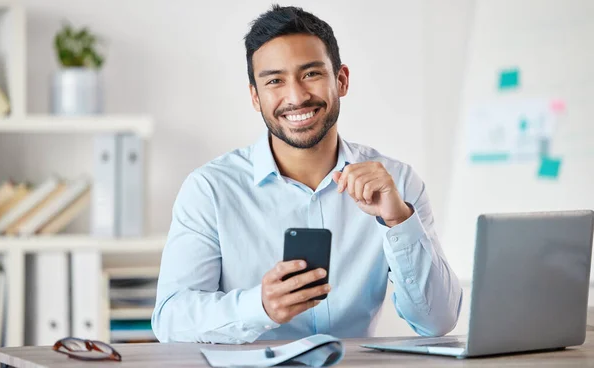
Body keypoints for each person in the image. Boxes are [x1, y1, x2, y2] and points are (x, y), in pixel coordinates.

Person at [152, 4, 462, 344]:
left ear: (341, 80)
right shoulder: (210, 190)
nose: (297, 97)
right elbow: (170, 320)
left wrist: (399, 221)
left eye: (311, 74)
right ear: (255, 96)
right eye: (275, 81)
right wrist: (260, 306)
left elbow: (438, 322)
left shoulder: (396, 183)